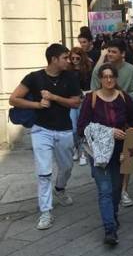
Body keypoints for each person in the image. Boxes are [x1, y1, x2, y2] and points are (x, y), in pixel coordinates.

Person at [9, 44, 81, 230]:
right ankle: (46, 212)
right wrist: (37, 105)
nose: (68, 60)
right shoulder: (34, 78)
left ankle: (60, 189)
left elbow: (75, 102)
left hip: (64, 130)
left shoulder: (70, 77)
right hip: (41, 130)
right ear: (54, 59)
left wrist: (54, 98)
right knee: (44, 172)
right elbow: (14, 98)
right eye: (65, 57)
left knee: (66, 167)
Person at [77, 64, 133, 245]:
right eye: (105, 76)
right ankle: (109, 230)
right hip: (98, 152)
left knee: (116, 188)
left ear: (116, 78)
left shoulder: (123, 98)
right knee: (104, 189)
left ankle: (112, 216)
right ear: (100, 79)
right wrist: (108, 132)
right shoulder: (92, 99)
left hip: (120, 151)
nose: (109, 79)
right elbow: (82, 128)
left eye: (112, 76)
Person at [91, 39, 133, 208]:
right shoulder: (99, 69)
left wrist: (121, 98)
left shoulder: (132, 70)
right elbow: (93, 92)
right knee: (107, 165)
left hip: (124, 118)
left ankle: (123, 190)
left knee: (125, 158)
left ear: (122, 53)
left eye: (113, 51)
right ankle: (108, 189)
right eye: (108, 51)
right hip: (103, 122)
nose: (110, 54)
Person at [69, 47, 92, 165]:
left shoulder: (87, 69)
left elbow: (91, 86)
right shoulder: (68, 70)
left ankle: (83, 152)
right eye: (72, 58)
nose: (74, 60)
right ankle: (75, 149)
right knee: (73, 129)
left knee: (83, 127)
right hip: (72, 101)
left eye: (77, 58)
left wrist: (85, 93)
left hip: (84, 101)